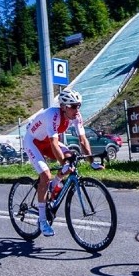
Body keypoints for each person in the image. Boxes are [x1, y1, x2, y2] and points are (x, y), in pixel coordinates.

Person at [23, 89, 95, 237]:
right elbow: (54, 144)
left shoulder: (76, 116)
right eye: (73, 106)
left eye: (78, 105)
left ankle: (53, 185)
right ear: (63, 107)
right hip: (33, 142)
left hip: (47, 142)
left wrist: (91, 161)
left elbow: (83, 140)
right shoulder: (52, 115)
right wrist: (63, 163)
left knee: (71, 160)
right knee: (45, 175)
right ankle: (42, 221)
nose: (77, 109)